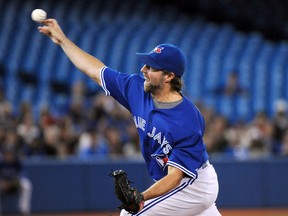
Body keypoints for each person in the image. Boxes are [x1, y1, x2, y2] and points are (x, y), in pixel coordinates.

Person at [38, 19, 221, 216]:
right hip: (176, 182)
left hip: (193, 184)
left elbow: (176, 176)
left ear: (168, 76)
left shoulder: (187, 119)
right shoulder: (136, 89)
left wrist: (141, 197)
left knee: (130, 214)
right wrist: (63, 40)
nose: (143, 69)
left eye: (151, 67)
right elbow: (95, 71)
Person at [0, 145, 32, 215]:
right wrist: (2, 182)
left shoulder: (17, 163)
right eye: (6, 153)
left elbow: (23, 175)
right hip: (3, 185)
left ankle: (24, 211)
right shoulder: (1, 163)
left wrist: (13, 182)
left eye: (10, 153)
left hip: (14, 184)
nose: (8, 156)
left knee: (26, 184)